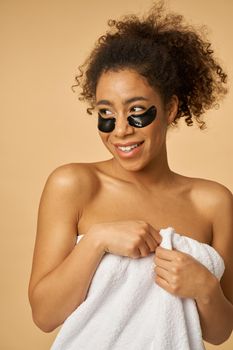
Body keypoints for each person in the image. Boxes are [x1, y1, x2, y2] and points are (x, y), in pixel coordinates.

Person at [28, 1, 233, 347]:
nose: (120, 130)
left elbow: (220, 332)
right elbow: (45, 315)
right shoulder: (74, 185)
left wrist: (205, 288)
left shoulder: (213, 202)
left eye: (137, 111)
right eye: (106, 112)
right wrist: (96, 241)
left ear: (170, 108)